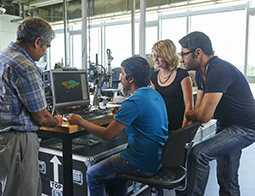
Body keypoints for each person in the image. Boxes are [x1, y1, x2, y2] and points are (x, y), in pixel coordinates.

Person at [67, 56, 169, 196]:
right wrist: (122, 114)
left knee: (92, 174)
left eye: (122, 73)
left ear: (131, 79)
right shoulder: (155, 94)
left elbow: (107, 135)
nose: (120, 77)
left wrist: (80, 121)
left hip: (141, 162)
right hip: (158, 158)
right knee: (118, 175)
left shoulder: (133, 102)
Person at [0, 17, 63, 196]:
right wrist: (57, 120)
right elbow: (42, 117)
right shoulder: (26, 67)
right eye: (46, 46)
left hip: (0, 139)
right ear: (37, 42)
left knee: (14, 190)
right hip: (18, 142)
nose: (45, 52)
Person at [179, 31, 255, 196]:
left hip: (245, 127)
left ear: (197, 53)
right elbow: (199, 107)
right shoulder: (201, 73)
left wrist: (187, 113)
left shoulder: (218, 70)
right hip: (226, 124)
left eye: (184, 54)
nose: (181, 59)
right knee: (226, 177)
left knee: (198, 154)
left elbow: (203, 115)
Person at [150, 39, 193, 134]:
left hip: (178, 125)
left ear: (168, 56)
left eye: (159, 56)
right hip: (161, 127)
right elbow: (154, 103)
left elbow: (189, 105)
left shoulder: (182, 75)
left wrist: (182, 130)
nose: (155, 59)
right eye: (154, 56)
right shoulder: (153, 77)